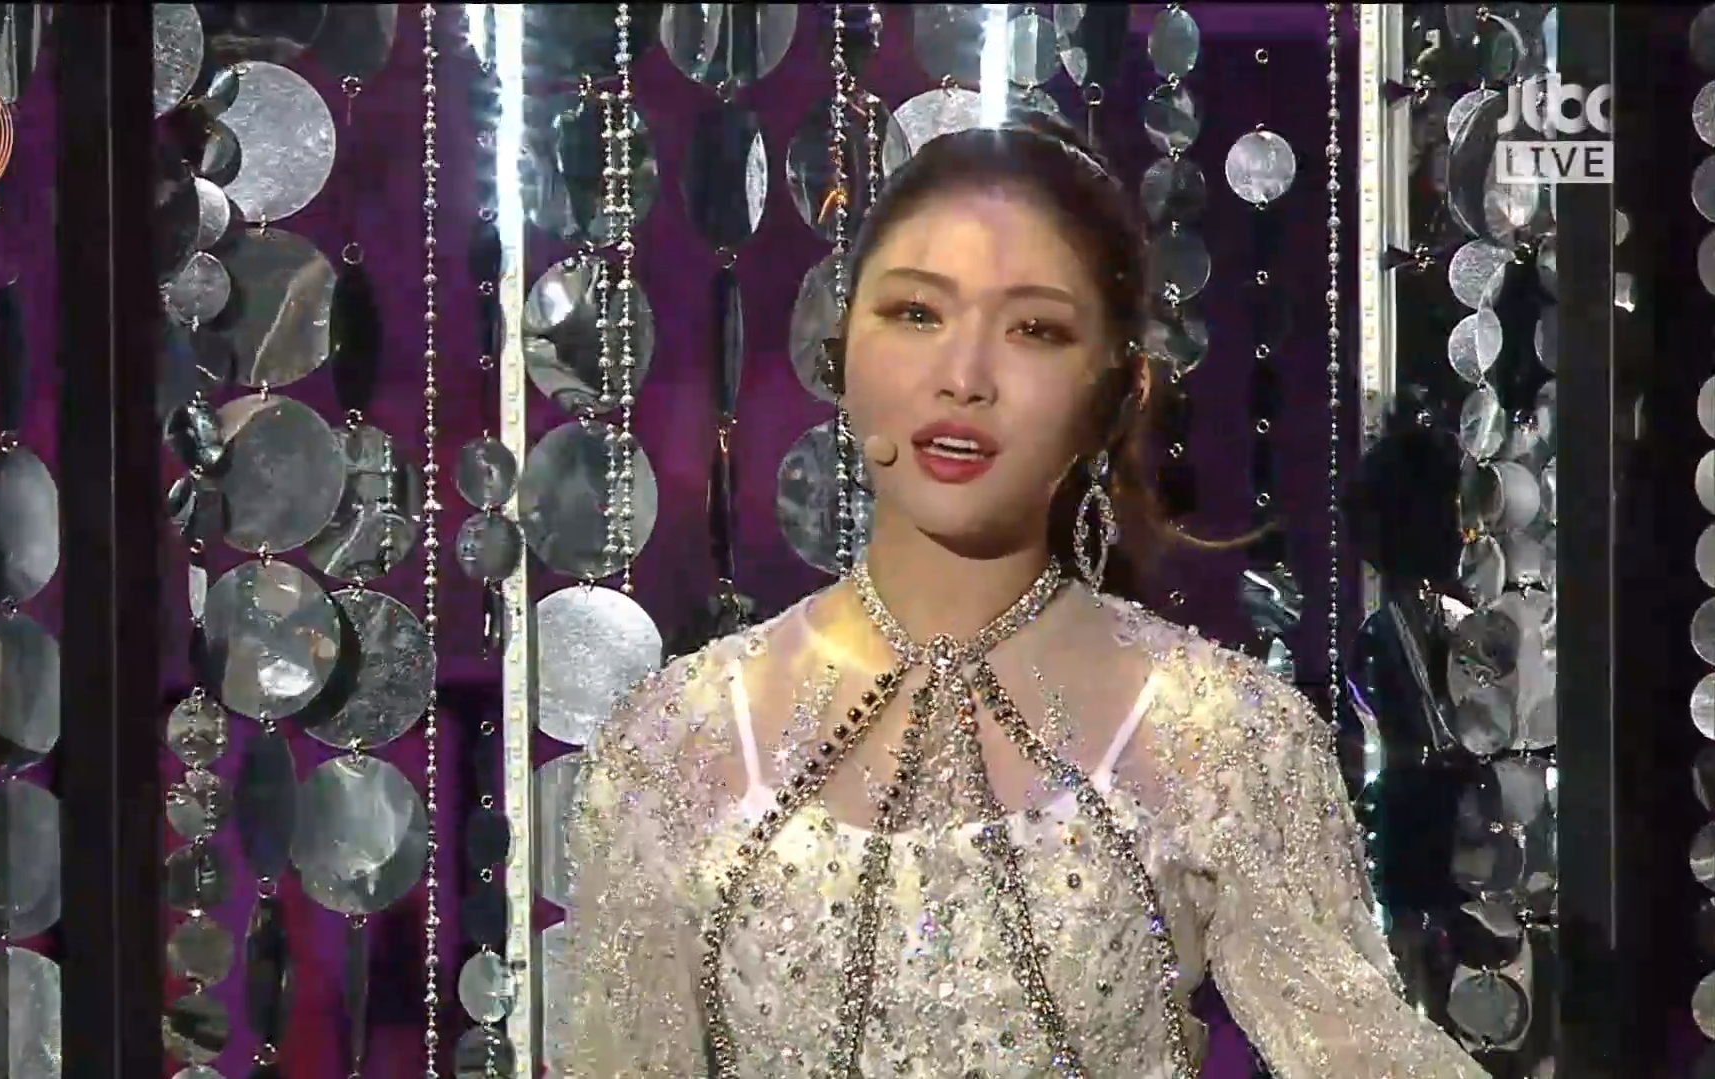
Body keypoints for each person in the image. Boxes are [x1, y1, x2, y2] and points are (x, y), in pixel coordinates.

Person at [557, 115, 1486, 1078]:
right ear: (842, 350)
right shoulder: (675, 744)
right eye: (914, 313)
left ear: (1115, 395)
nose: (962, 377)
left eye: (1035, 329)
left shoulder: (1224, 740)